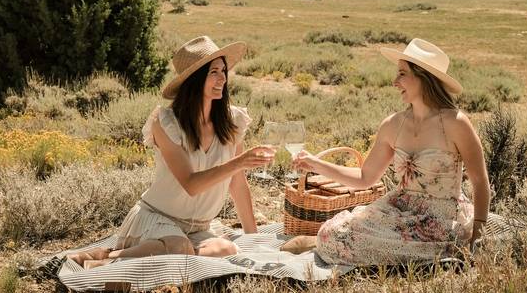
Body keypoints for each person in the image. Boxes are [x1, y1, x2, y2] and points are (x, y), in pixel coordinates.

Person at [69, 36, 274, 268]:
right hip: (157, 218)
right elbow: (190, 184)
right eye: (213, 72)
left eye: (223, 71)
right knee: (179, 246)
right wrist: (239, 162)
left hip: (199, 228)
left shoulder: (233, 121)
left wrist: (253, 239)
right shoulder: (166, 122)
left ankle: (153, 253)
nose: (223, 79)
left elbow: (237, 184)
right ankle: (105, 259)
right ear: (195, 80)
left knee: (226, 248)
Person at [287, 38, 491, 265]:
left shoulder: (456, 123)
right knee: (330, 233)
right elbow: (366, 177)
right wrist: (316, 164)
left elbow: (480, 181)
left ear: (423, 77)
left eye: (402, 74)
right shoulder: (393, 124)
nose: (395, 82)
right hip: (398, 210)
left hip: (441, 218)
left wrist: (477, 238)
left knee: (371, 241)